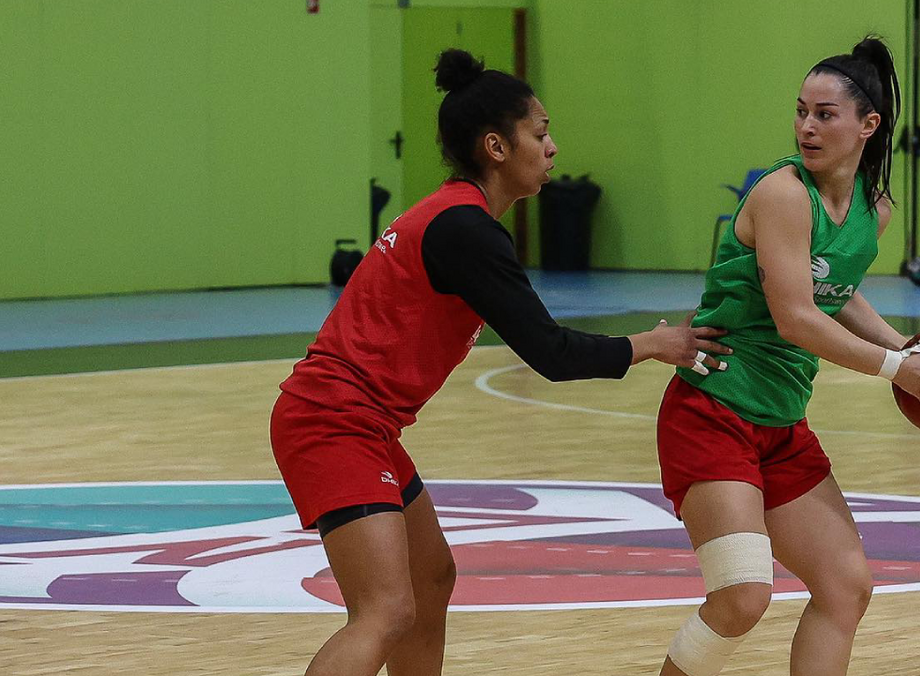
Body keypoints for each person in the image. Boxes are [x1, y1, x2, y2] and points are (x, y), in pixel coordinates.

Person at [269, 49, 730, 676]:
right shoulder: (466, 230)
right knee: (384, 612)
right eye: (540, 134)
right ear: (496, 146)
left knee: (431, 579)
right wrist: (655, 344)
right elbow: (551, 354)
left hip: (363, 425)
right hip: (333, 420)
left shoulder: (458, 217)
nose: (553, 148)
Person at [654, 37, 920, 676]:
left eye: (824, 114)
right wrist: (895, 369)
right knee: (743, 596)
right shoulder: (782, 194)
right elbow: (797, 317)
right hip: (713, 410)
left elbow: (836, 288)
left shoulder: (873, 211)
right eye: (801, 111)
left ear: (868, 125)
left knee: (845, 586)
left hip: (781, 422)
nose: (806, 125)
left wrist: (902, 344)